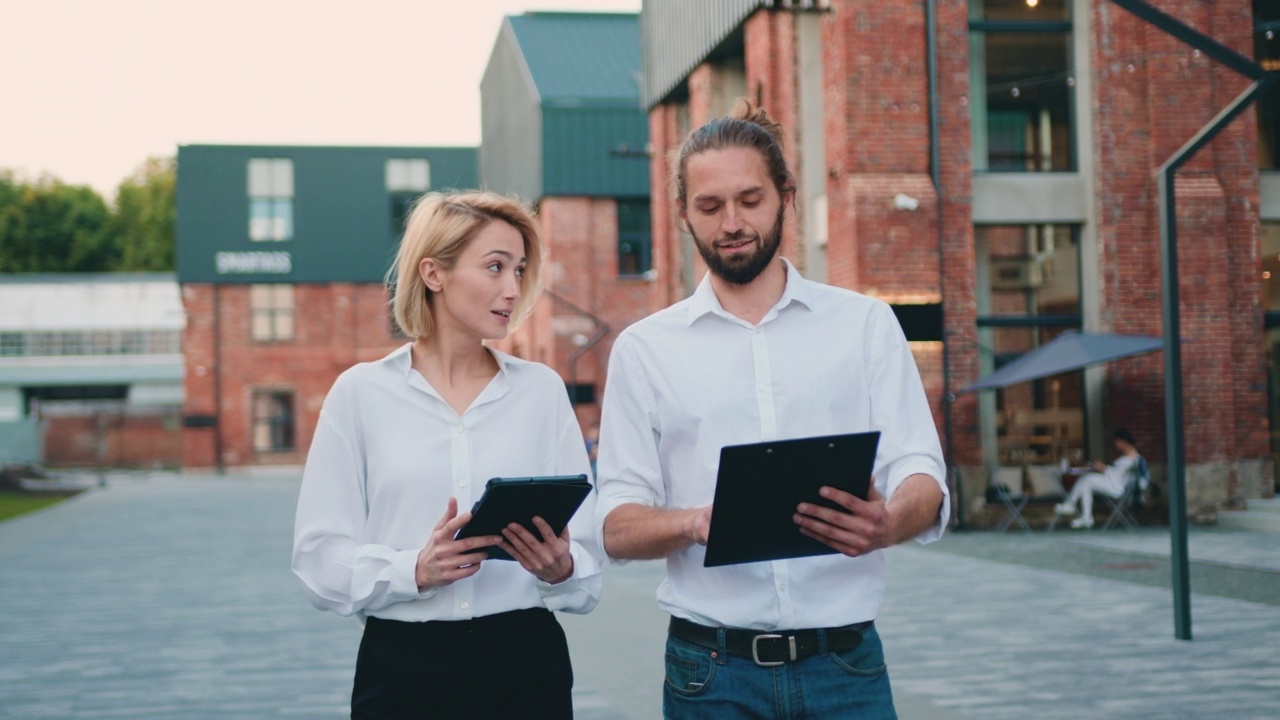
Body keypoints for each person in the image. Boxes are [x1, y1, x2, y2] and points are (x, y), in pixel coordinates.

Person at [594, 99, 949, 719]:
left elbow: (919, 466)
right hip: (710, 673)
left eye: (749, 200)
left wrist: (889, 522)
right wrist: (698, 522)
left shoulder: (864, 324)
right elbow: (615, 525)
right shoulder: (645, 350)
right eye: (709, 206)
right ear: (682, 215)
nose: (731, 222)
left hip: (846, 665)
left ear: (786, 195)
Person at [292, 191, 602, 720]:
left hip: (525, 666)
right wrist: (413, 569)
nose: (513, 288)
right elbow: (318, 559)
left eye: (520, 269)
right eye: (495, 267)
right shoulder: (360, 394)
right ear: (433, 273)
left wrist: (562, 567)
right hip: (402, 671)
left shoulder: (542, 392)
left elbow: (590, 560)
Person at [1055, 428, 1142, 529]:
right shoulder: (1130, 456)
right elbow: (1117, 471)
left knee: (1087, 479)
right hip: (1115, 484)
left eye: (1117, 442)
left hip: (1116, 488)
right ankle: (1083, 514)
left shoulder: (1131, 457)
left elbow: (1116, 475)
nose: (1116, 445)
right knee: (1086, 482)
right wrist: (1104, 468)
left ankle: (1072, 506)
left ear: (1124, 441)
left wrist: (1103, 469)